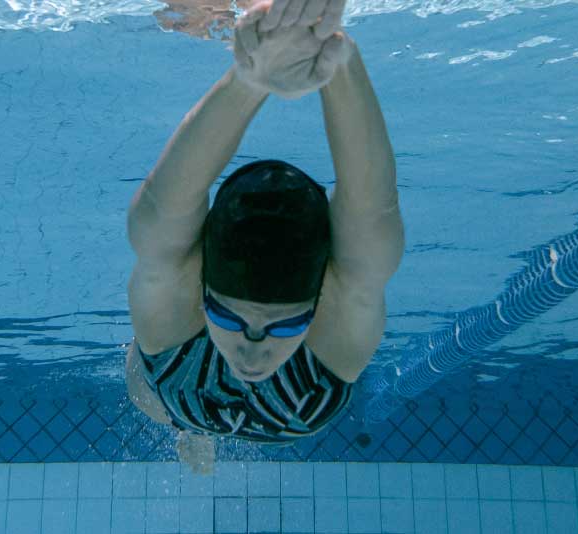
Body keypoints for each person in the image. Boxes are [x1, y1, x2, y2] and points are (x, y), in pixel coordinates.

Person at [124, 0, 404, 472]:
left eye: (286, 324)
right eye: (228, 317)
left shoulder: (336, 321)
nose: (253, 349)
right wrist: (249, 80)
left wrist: (335, 57)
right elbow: (159, 218)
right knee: (154, 399)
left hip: (257, 411)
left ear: (318, 302)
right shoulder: (179, 315)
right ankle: (193, 434)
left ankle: (195, 430)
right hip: (183, 406)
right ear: (202, 290)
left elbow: (370, 220)